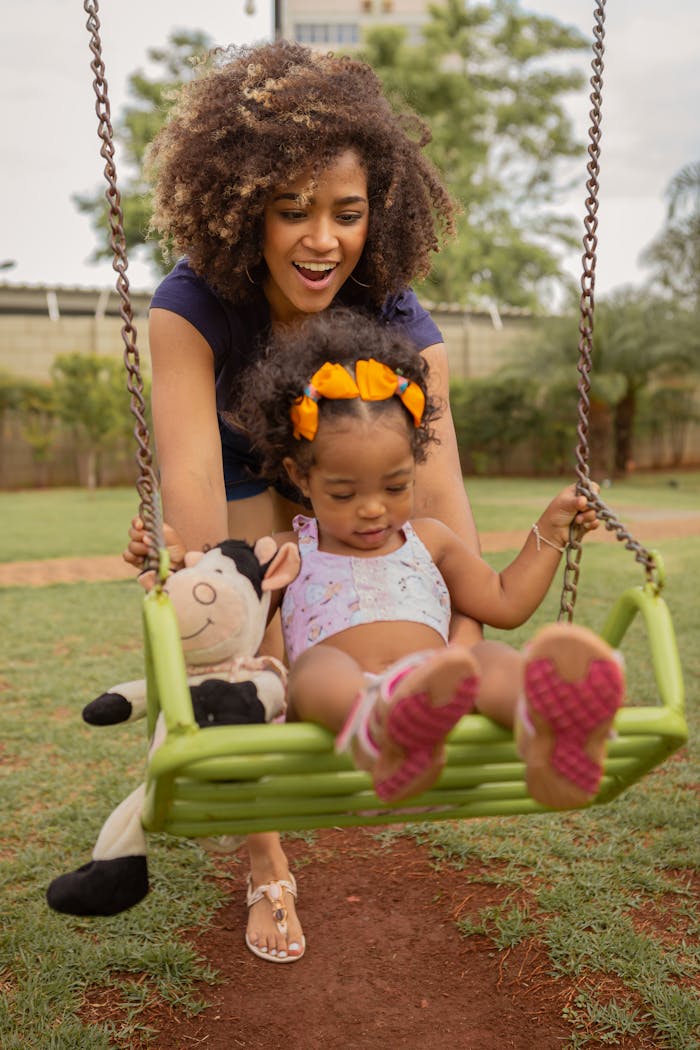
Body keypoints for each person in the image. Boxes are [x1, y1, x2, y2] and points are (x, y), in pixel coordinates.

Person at [124, 38, 483, 964]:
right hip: (247, 479)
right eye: (292, 212)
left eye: (347, 213)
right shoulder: (194, 304)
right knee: (238, 606)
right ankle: (266, 855)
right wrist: (202, 576)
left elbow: (438, 502)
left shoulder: (397, 317)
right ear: (248, 213)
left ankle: (371, 695)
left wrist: (462, 644)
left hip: (357, 483)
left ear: (378, 213)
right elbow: (197, 491)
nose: (322, 240)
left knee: (410, 584)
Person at [146, 311, 625, 961]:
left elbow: (506, 601)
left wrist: (550, 531)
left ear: (412, 467)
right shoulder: (287, 551)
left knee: (488, 653)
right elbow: (211, 598)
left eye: (395, 486)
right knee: (318, 673)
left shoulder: (431, 542)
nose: (373, 508)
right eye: (345, 492)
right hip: (339, 697)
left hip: (438, 691)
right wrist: (164, 552)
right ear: (301, 477)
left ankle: (549, 728)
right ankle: (381, 723)